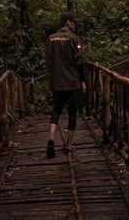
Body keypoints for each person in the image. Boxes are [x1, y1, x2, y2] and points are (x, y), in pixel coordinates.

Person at [45, 12, 86, 158]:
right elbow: (79, 62)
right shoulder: (74, 38)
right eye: (74, 22)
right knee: (72, 112)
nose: (75, 25)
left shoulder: (51, 38)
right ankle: (68, 145)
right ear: (68, 22)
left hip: (57, 83)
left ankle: (51, 140)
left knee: (56, 110)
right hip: (72, 82)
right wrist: (83, 80)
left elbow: (49, 61)